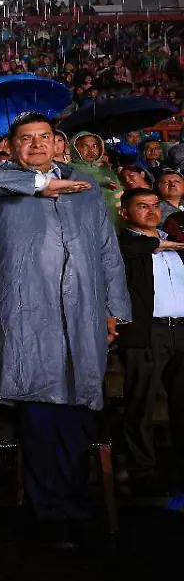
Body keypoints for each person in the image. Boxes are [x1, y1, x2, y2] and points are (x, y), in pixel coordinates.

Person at [0, 111, 130, 548]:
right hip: (28, 319)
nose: (36, 145)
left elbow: (108, 252)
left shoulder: (87, 190)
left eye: (44, 138)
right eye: (26, 139)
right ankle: (49, 514)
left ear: (59, 144)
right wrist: (40, 186)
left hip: (82, 315)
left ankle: (75, 507)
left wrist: (114, 310)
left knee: (77, 415)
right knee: (39, 417)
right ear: (12, 147)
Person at [116, 189, 184, 496]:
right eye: (142, 206)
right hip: (147, 332)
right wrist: (161, 243)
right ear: (125, 212)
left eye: (156, 206)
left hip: (180, 329)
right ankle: (142, 471)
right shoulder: (124, 243)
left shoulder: (175, 242)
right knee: (140, 404)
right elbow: (128, 247)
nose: (152, 211)